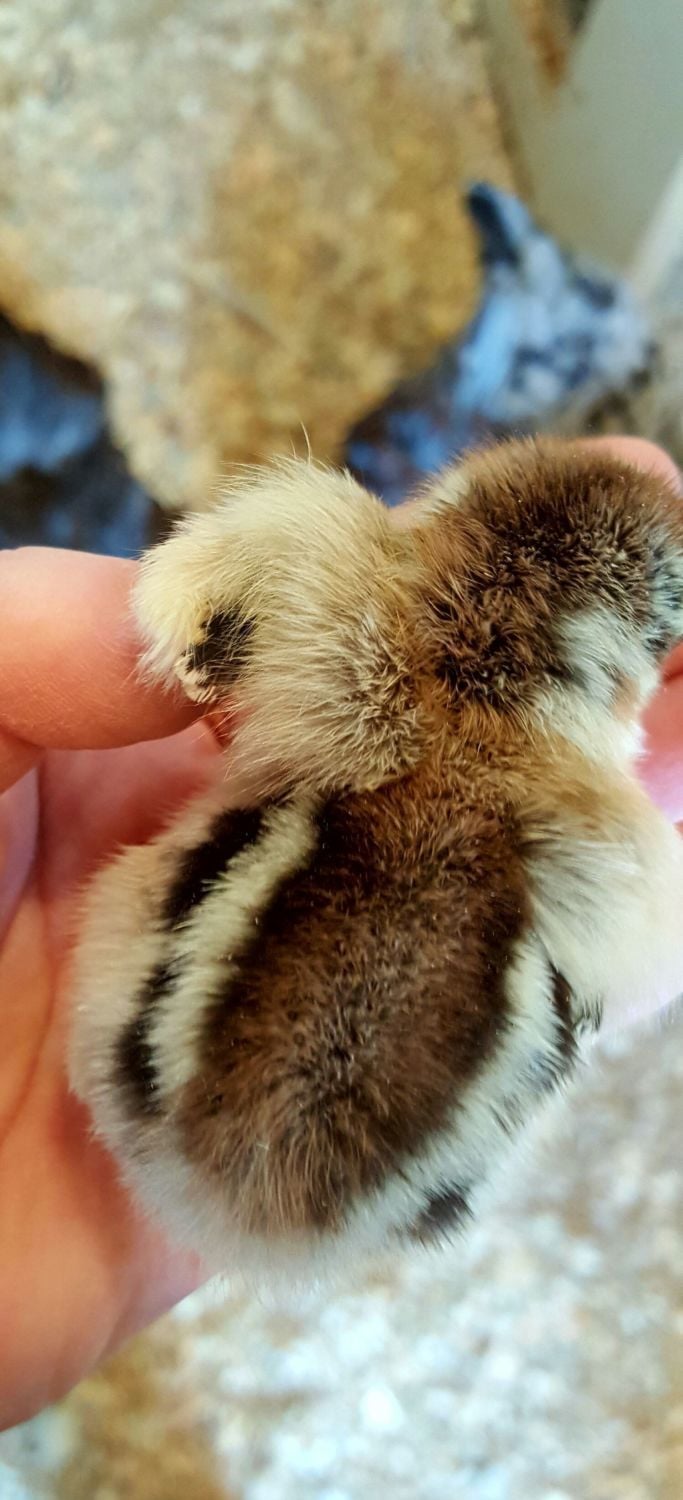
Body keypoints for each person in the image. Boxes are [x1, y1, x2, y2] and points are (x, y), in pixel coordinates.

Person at [1, 438, 681, 1433]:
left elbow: (189, 604)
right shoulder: (619, 850)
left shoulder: (333, 598)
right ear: (627, 661)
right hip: (351, 1195)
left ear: (443, 519)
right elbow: (620, 972)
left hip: (151, 1080)